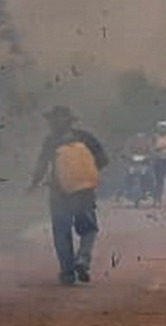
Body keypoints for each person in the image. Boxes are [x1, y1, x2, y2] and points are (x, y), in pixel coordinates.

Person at [28, 106, 109, 285]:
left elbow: (41, 165)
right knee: (89, 229)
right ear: (72, 121)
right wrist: (87, 174)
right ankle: (83, 259)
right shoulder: (86, 137)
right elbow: (103, 160)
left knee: (62, 233)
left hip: (59, 194)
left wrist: (34, 184)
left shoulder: (50, 141)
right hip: (84, 193)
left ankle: (67, 273)